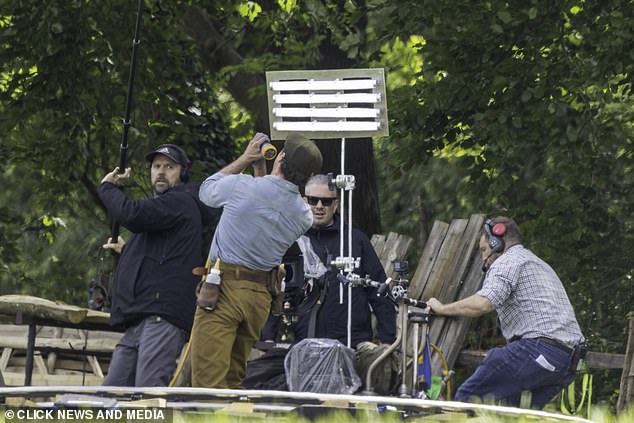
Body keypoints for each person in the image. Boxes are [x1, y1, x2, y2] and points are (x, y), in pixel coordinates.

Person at [190, 132, 323, 388]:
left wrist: (245, 158)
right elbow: (266, 203)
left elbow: (206, 192)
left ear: (281, 157)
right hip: (259, 298)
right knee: (233, 378)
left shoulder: (241, 186)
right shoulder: (303, 215)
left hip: (223, 291)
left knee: (208, 383)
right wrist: (261, 169)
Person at [252, 174, 397, 393]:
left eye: (326, 201)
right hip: (304, 346)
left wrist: (388, 341)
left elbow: (379, 291)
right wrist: (268, 338)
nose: (319, 206)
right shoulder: (291, 242)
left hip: (351, 345)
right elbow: (274, 291)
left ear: (336, 204)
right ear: (304, 201)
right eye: (313, 200)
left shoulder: (355, 240)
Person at [427, 216, 586, 409]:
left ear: (497, 242)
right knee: (512, 415)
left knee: (467, 399)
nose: (484, 258)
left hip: (538, 350)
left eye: (484, 250)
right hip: (568, 362)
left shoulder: (508, 261)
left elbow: (483, 304)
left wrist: (443, 308)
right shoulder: (538, 263)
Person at [98, 143, 215, 386]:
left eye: (169, 167)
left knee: (148, 395)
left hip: (162, 317)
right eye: (156, 166)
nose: (161, 172)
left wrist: (108, 187)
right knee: (110, 395)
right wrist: (128, 250)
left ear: (181, 173)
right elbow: (162, 254)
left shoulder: (179, 201)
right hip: (142, 317)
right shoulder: (165, 210)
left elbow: (131, 214)